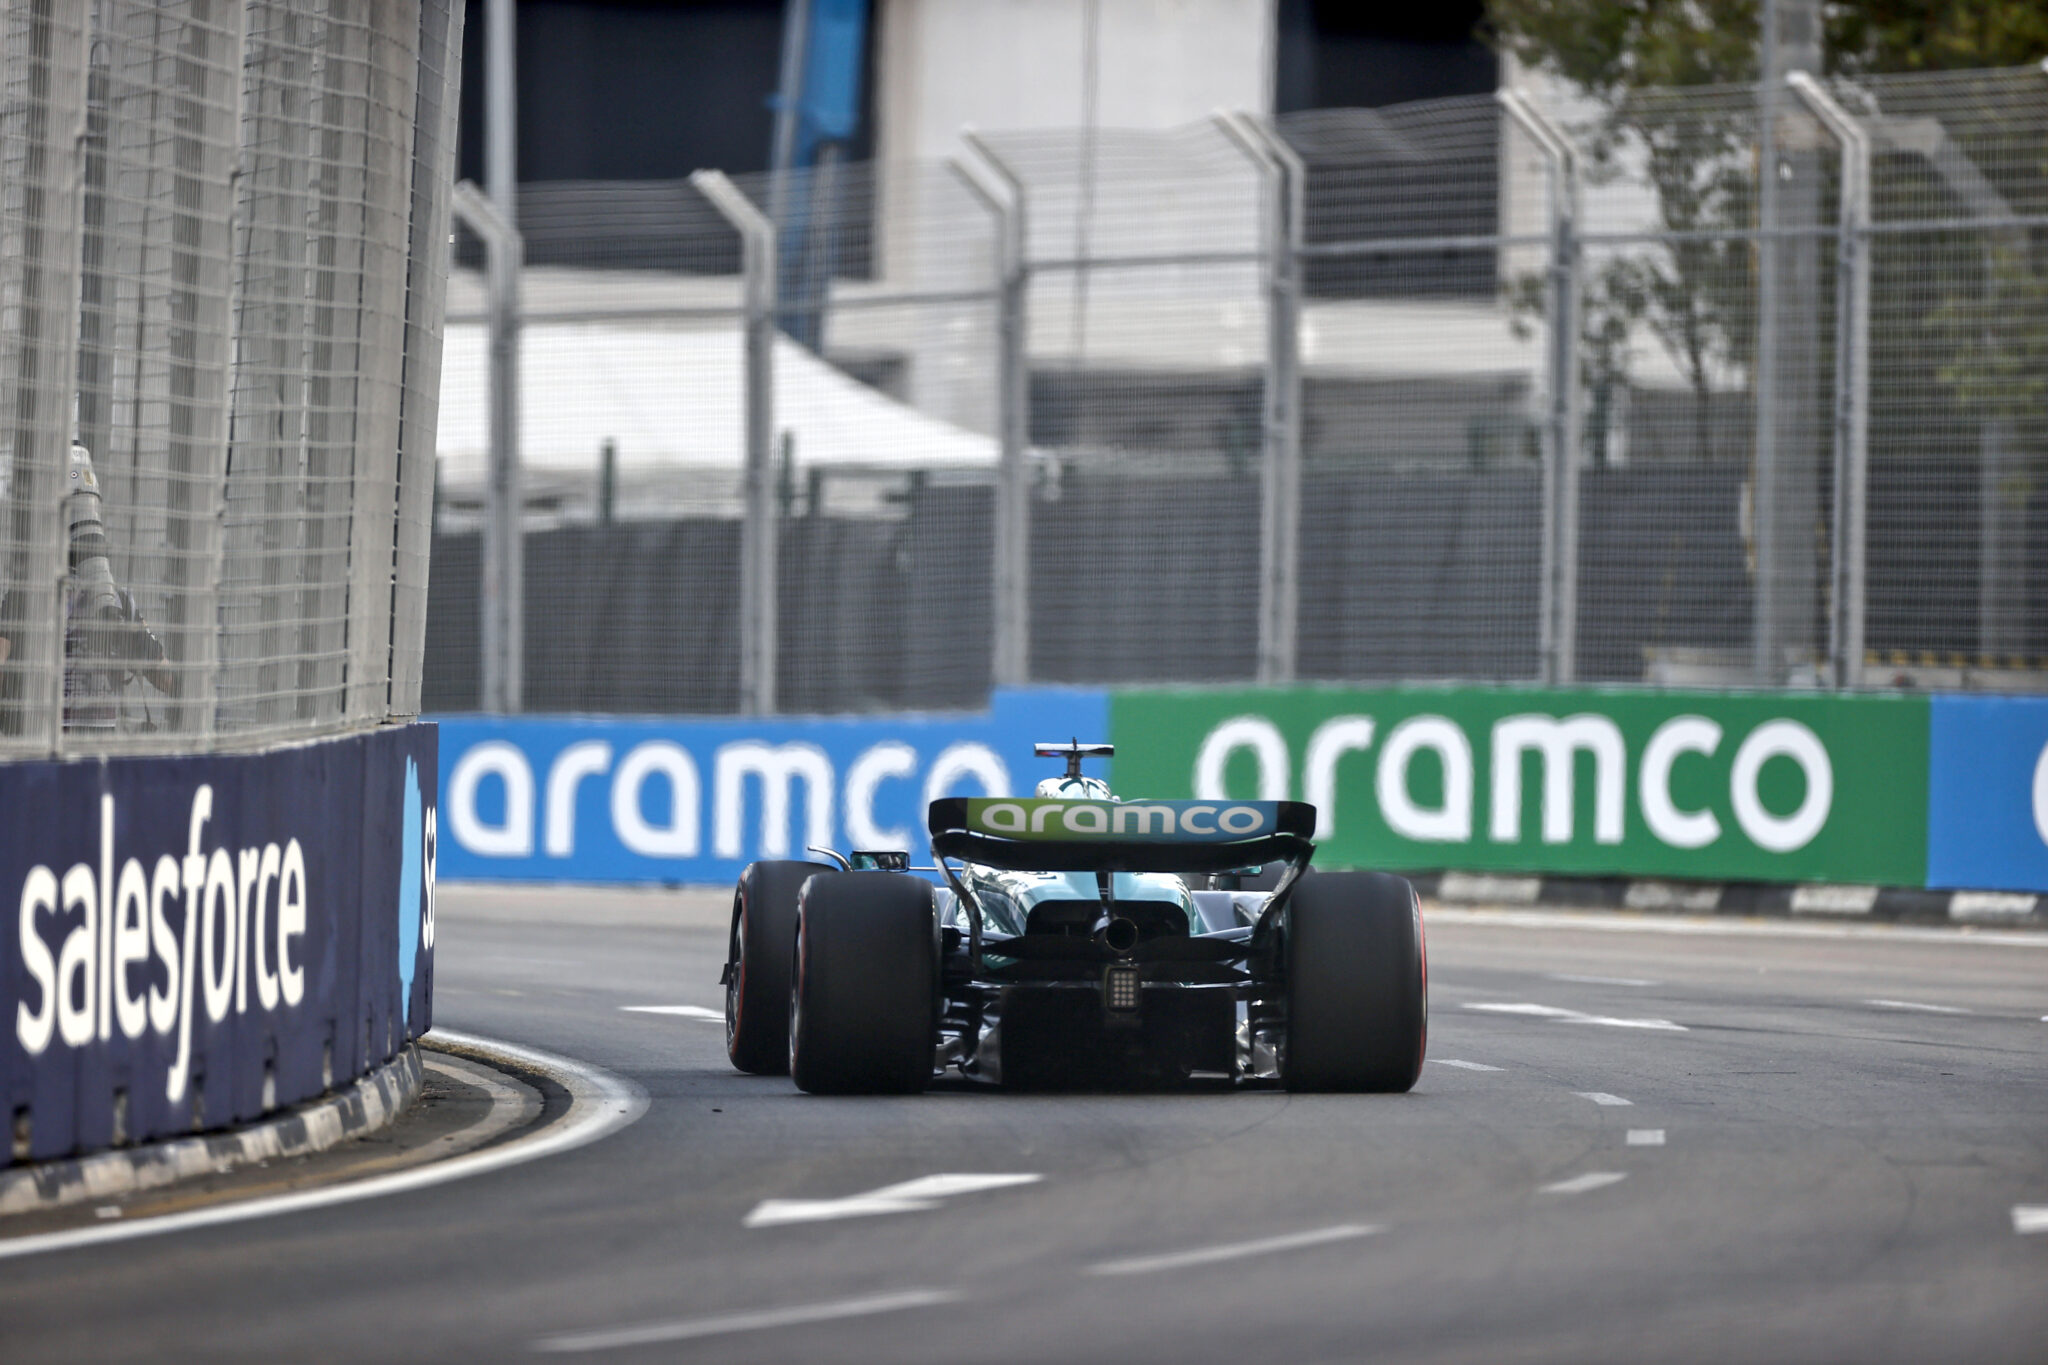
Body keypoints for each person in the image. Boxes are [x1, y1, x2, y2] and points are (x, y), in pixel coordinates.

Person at [0, 443, 171, 734]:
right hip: (66, 754)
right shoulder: (30, 595)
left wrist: (139, 646)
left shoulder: (115, 601)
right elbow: (169, 679)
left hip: (69, 752)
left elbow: (166, 678)